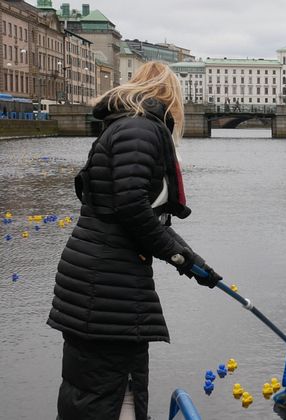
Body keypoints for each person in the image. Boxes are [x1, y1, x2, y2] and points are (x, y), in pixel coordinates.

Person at [47, 61, 222, 420]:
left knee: (89, 389)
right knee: (114, 388)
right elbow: (131, 208)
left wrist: (192, 261)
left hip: (95, 282)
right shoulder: (142, 130)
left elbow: (137, 214)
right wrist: (178, 259)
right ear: (168, 95)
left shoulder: (124, 127)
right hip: (109, 288)